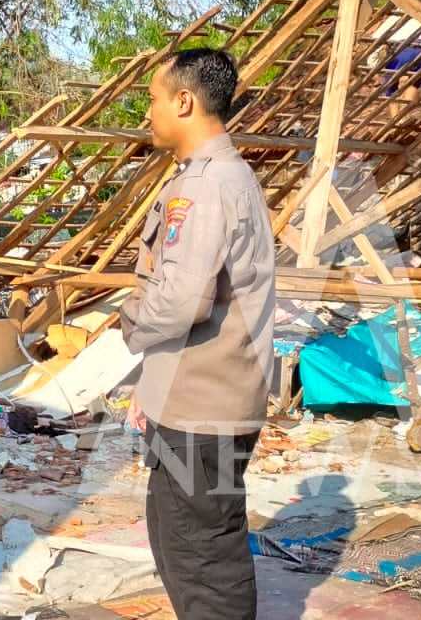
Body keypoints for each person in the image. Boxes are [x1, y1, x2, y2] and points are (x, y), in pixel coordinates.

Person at [120, 47, 274, 620]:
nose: (150, 114)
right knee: (177, 537)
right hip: (193, 396)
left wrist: (127, 321)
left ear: (184, 101)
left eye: (154, 100)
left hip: (203, 409)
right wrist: (150, 384)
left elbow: (181, 300)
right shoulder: (219, 177)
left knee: (203, 560)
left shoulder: (204, 187)